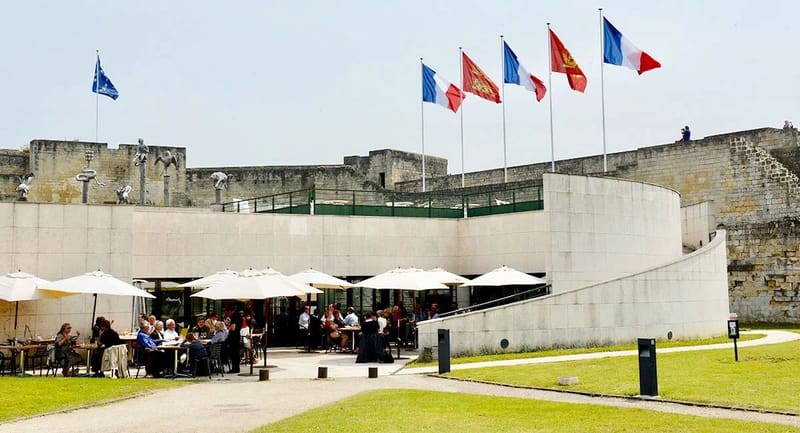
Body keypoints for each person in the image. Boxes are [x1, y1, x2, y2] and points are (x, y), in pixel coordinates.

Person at [226, 306, 243, 373]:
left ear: (230, 311)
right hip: (237, 336)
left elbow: (233, 328)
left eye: (228, 312)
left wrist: (228, 327)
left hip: (233, 337)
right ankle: (236, 368)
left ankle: (234, 369)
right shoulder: (239, 316)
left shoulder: (234, 316)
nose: (227, 314)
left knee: (233, 353)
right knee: (236, 353)